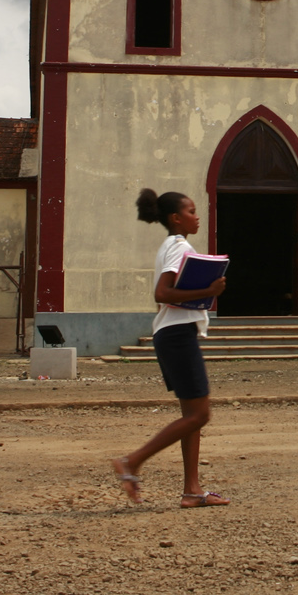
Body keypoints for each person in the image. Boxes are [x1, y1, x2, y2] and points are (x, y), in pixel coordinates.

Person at [111, 189, 229, 508]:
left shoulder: (171, 245)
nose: (197, 215)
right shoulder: (180, 247)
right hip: (177, 334)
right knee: (200, 414)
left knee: (192, 415)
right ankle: (132, 462)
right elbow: (162, 293)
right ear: (176, 218)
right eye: (191, 211)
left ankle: (192, 491)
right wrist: (211, 290)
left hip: (174, 333)